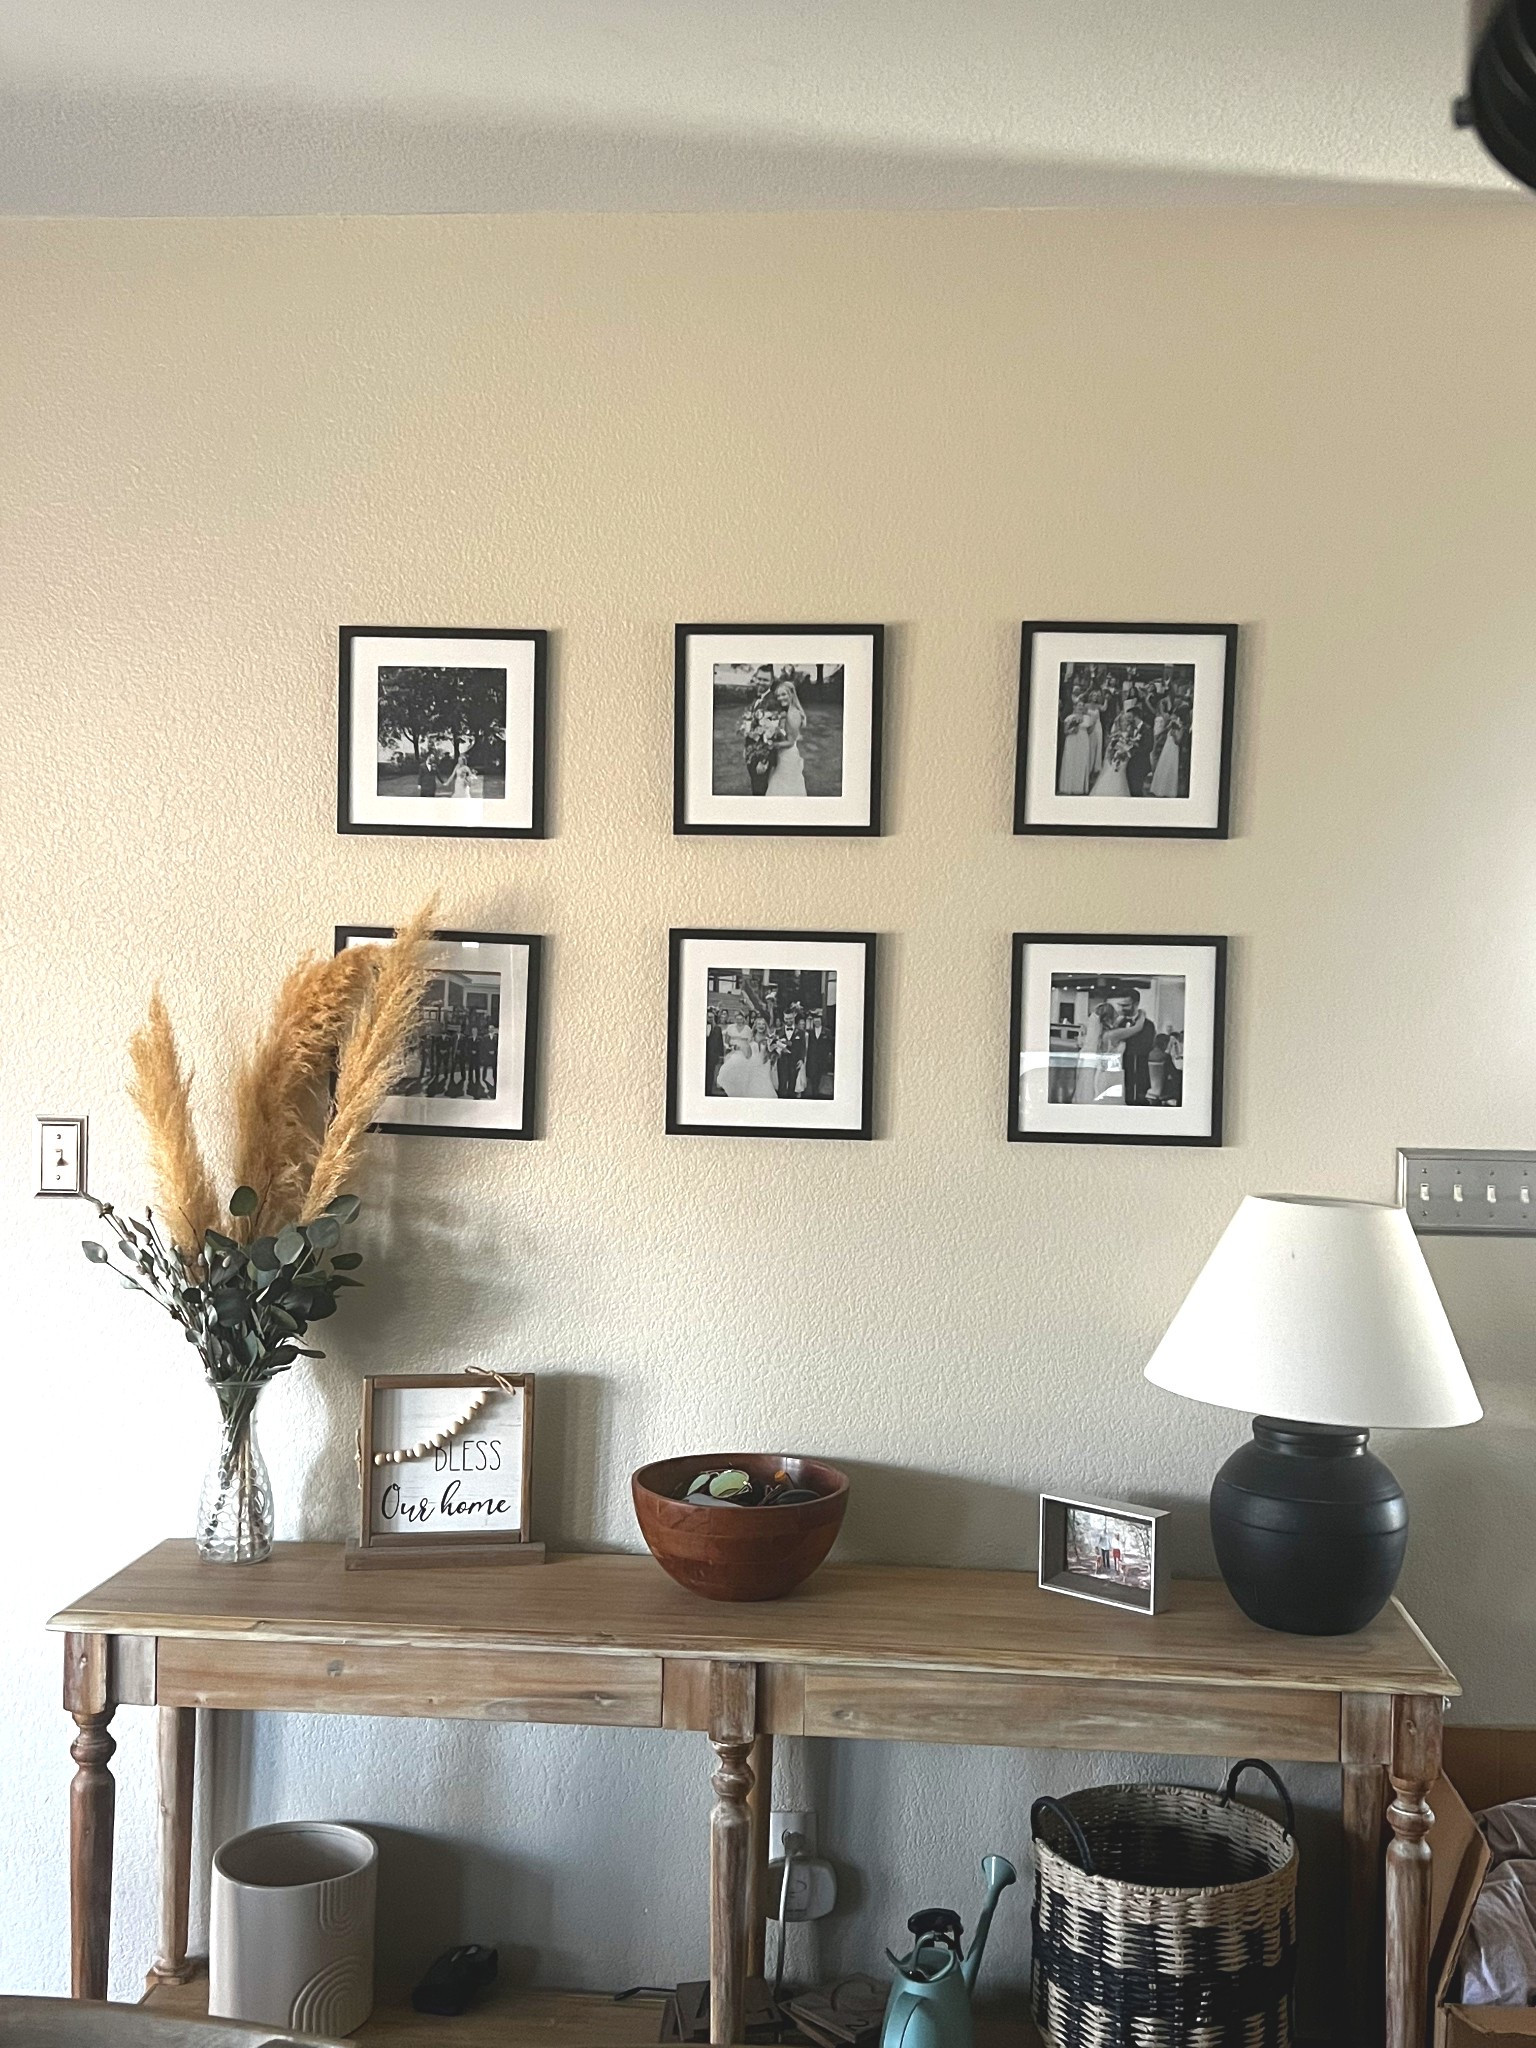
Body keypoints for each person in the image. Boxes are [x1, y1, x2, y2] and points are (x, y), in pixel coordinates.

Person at [1107, 996, 1157, 1106]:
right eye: (1120, 1005)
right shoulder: (1118, 1023)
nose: (1122, 1008)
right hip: (1117, 1069)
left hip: (1138, 1068)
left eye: (1126, 1005)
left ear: (1136, 1004)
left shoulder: (1148, 1024)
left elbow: (1147, 1046)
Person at [766, 676, 809, 797]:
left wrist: (772, 744)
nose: (780, 698)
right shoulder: (787, 712)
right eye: (778, 696)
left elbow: (790, 742)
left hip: (788, 756)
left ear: (791, 694)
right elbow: (787, 734)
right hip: (783, 754)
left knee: (785, 787)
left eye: (783, 694)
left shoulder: (793, 714)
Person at [1073, 1000, 1117, 1106]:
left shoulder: (1093, 1023)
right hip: (1096, 1059)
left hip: (1086, 1056)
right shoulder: (1108, 1032)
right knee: (1093, 1084)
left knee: (1084, 1083)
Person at [1056, 692, 1101, 797]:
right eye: (1078, 705)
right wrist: (1073, 729)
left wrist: (1093, 724)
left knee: (1082, 761)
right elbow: (1065, 731)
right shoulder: (1069, 717)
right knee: (1071, 761)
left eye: (1082, 705)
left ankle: (1079, 787)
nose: (1080, 707)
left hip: (1084, 741)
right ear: (1074, 707)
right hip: (1072, 740)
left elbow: (1090, 731)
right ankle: (1068, 787)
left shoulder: (1087, 718)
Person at [804, 1011, 835, 1098]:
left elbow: (829, 1045)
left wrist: (829, 1055)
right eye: (815, 1021)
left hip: (822, 1059)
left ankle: (819, 1094)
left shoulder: (827, 1032)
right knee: (813, 1077)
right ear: (813, 1022)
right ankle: (814, 1094)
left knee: (821, 1076)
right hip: (813, 1059)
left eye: (818, 1021)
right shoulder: (810, 1032)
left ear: (821, 1021)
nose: (817, 1022)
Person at [705, 1010, 727, 1095]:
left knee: (711, 1073)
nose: (710, 1019)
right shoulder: (703, 1027)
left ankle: (709, 1091)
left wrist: (720, 1055)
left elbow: (720, 1042)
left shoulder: (717, 1028)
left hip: (712, 1055)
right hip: (704, 1054)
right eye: (708, 1017)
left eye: (711, 1017)